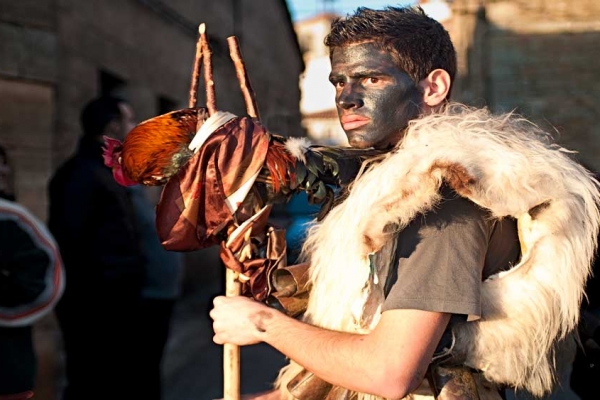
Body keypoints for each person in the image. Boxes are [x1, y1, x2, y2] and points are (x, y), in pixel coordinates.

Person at [210, 6, 600, 400]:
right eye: (339, 82)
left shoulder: (438, 198)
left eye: (372, 78)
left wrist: (262, 323)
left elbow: (389, 374)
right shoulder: (385, 189)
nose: (347, 98)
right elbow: (347, 365)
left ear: (433, 87)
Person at [48, 96, 145, 400]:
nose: (135, 127)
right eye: (129, 121)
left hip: (115, 302)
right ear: (112, 126)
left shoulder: (105, 171)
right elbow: (71, 243)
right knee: (91, 382)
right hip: (94, 308)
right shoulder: (80, 175)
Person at [0, 145, 64, 400]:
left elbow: (38, 280)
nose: (4, 170)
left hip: (10, 359)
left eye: (5, 162)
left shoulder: (10, 219)